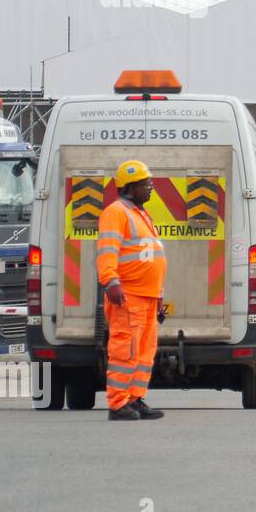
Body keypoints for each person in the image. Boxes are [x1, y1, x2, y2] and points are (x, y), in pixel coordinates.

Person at [97, 159, 168, 421]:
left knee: (143, 352)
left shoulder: (141, 214)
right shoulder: (116, 213)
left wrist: (158, 295)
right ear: (130, 187)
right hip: (129, 296)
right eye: (145, 183)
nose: (150, 187)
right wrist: (111, 281)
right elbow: (107, 250)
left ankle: (135, 399)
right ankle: (118, 404)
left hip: (147, 297)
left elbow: (150, 256)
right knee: (125, 350)